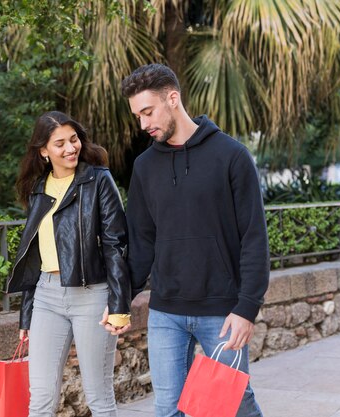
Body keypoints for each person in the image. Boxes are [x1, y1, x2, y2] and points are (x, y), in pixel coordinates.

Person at [120, 63, 269, 417]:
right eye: (137, 115)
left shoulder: (231, 155)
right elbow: (141, 242)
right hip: (165, 312)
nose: (143, 124)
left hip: (222, 310)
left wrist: (247, 307)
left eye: (147, 111)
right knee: (168, 409)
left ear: (173, 98)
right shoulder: (144, 167)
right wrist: (118, 299)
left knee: (233, 404)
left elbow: (253, 236)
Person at [6, 111, 131, 417]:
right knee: (41, 399)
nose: (70, 148)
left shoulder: (98, 180)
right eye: (59, 143)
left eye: (73, 139)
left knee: (99, 397)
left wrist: (118, 305)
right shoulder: (37, 188)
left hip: (91, 295)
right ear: (43, 151)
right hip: (47, 296)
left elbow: (117, 244)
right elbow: (34, 256)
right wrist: (27, 316)